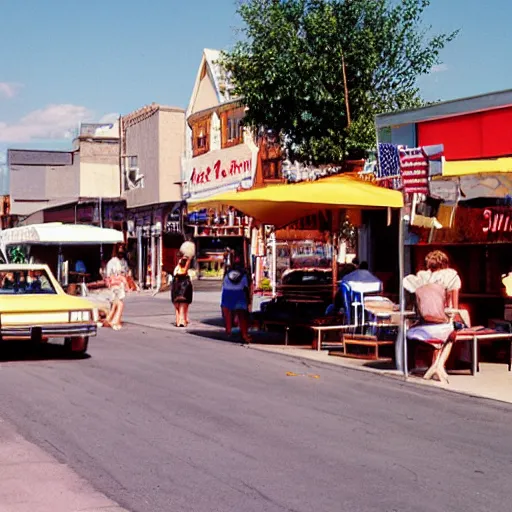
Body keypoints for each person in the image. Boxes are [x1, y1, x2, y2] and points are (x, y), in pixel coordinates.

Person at [403, 250, 463, 382]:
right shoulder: (451, 277)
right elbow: (454, 307)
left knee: (443, 332)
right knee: (452, 333)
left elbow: (415, 305)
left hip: (422, 327)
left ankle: (435, 366)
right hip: (441, 325)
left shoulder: (421, 280)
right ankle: (439, 365)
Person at [221, 255, 251, 343]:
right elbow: (246, 287)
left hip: (227, 293)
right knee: (242, 315)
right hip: (239, 294)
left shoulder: (227, 274)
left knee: (227, 313)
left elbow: (224, 285)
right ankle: (244, 334)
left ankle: (228, 331)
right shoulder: (244, 275)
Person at [171, 254, 193, 327]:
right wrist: (188, 261)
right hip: (184, 291)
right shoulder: (185, 271)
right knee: (184, 307)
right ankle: (182, 321)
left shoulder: (176, 269)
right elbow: (184, 272)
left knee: (177, 307)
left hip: (176, 290)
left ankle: (178, 321)